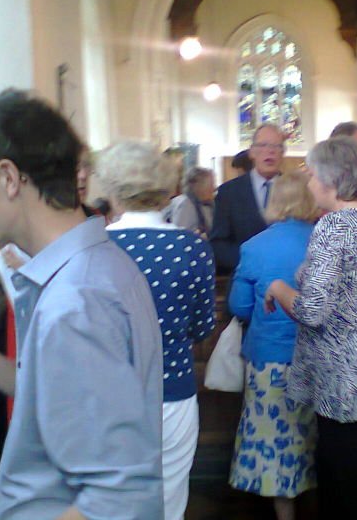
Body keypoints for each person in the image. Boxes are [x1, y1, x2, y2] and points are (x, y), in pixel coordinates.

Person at [0, 90, 164, 519]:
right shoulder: (95, 264)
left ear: (8, 177)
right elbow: (64, 399)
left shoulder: (76, 300)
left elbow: (120, 501)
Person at [264, 138, 357, 519]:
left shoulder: (334, 226)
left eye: (311, 175)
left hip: (345, 378)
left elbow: (312, 310)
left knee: (344, 488)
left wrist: (279, 288)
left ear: (331, 178)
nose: (309, 184)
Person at [98, 139, 216, 520]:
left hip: (108, 395)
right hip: (173, 389)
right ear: (166, 190)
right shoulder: (191, 248)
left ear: (113, 190)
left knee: (112, 505)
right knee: (168, 501)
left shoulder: (94, 247)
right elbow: (202, 327)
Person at [228, 171, 319, 520]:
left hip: (268, 358)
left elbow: (239, 307)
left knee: (274, 439)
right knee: (310, 434)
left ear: (274, 202)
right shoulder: (320, 241)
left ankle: (284, 511)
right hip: (316, 357)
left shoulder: (254, 246)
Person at [210, 123, 285, 273]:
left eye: (276, 146)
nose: (270, 151)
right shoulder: (229, 192)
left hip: (288, 278)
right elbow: (219, 244)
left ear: (283, 152)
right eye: (263, 145)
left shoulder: (298, 190)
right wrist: (252, 262)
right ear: (252, 152)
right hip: (245, 277)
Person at [165, 166, 216, 235]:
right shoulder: (186, 204)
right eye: (211, 184)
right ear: (198, 186)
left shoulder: (208, 204)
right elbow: (181, 235)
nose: (214, 188)